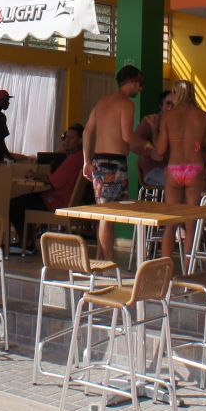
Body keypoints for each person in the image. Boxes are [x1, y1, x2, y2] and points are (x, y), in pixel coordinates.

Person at [82, 64, 142, 262]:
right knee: (107, 215)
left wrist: (86, 161)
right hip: (114, 164)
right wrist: (147, 147)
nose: (140, 89)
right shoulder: (125, 104)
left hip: (99, 161)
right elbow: (128, 136)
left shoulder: (102, 102)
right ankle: (107, 262)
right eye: (140, 84)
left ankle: (101, 257)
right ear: (132, 82)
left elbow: (87, 131)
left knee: (105, 214)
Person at [154, 80, 206, 260]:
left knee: (171, 223)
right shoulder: (204, 117)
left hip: (174, 169)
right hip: (195, 169)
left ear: (178, 94)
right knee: (191, 223)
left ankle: (165, 266)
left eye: (173, 93)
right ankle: (188, 271)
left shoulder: (167, 116)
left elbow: (160, 150)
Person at [8, 124, 84, 251]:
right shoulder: (79, 157)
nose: (66, 141)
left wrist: (34, 174)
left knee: (14, 204)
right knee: (24, 200)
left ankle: (26, 243)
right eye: (65, 137)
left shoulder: (74, 159)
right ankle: (28, 241)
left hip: (56, 202)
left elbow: (54, 181)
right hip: (62, 200)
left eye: (71, 138)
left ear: (80, 140)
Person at [132, 90, 173, 192]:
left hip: (172, 169)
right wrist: (151, 152)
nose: (171, 107)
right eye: (168, 103)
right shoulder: (151, 120)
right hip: (153, 169)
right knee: (178, 186)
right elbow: (133, 144)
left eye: (174, 104)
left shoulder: (178, 123)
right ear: (161, 106)